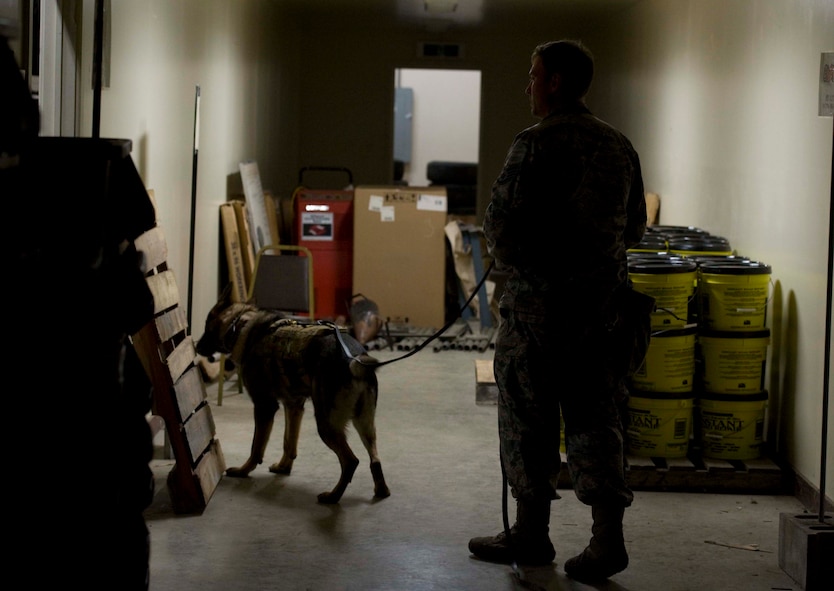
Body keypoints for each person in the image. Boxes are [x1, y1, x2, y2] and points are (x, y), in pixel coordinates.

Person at [468, 39, 647, 583]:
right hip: (601, 317)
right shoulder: (619, 146)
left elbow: (498, 230)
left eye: (533, 75)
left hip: (538, 317)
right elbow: (635, 228)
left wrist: (534, 266)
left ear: (555, 82)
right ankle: (605, 541)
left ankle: (532, 533)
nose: (527, 85)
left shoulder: (534, 145)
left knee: (529, 421)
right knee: (597, 422)